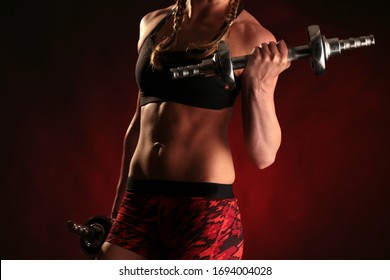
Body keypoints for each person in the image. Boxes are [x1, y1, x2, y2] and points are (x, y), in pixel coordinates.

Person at [97, 0, 290, 260]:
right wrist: (120, 201)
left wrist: (261, 87)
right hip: (140, 199)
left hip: (203, 210)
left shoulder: (251, 35)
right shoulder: (152, 23)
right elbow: (139, 121)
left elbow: (263, 155)